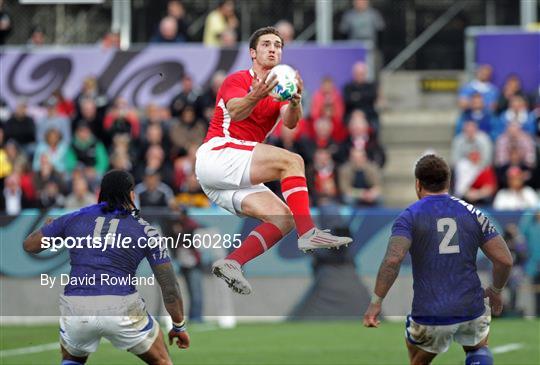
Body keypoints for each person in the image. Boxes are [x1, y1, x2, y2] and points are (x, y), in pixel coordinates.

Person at [195, 26, 352, 295]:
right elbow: (236, 111)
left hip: (225, 179)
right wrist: (258, 94)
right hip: (218, 155)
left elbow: (291, 123)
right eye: (266, 44)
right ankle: (309, 233)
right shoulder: (237, 79)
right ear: (253, 53)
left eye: (278, 45)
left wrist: (295, 101)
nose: (273, 49)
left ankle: (233, 262)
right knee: (293, 162)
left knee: (284, 219)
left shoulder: (279, 88)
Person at [23, 170, 190, 364]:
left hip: (78, 305)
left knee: (72, 359)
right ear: (131, 194)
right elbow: (170, 287)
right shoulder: (146, 230)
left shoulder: (73, 218)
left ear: (101, 193)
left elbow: (30, 245)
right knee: (161, 360)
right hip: (121, 305)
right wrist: (179, 326)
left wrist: (49, 227)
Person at [363, 154, 513, 365]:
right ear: (448, 182)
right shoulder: (473, 212)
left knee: (418, 359)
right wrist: (496, 291)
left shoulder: (409, 216)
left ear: (418, 184)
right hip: (471, 307)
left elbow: (392, 261)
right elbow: (505, 260)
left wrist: (376, 302)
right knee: (478, 347)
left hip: (431, 313)